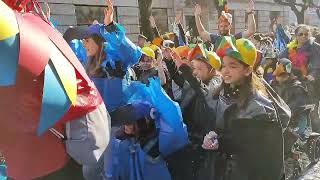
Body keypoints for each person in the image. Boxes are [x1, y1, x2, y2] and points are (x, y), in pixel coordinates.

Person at [203, 37, 287, 180]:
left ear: (248, 70)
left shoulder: (259, 106)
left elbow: (261, 154)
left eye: (233, 66)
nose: (225, 71)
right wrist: (212, 136)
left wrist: (221, 142)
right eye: (223, 65)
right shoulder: (220, 94)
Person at [163, 45, 222, 180]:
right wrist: (170, 62)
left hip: (202, 136)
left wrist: (184, 69)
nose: (195, 72)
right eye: (194, 68)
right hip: (191, 133)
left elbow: (202, 91)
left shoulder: (216, 83)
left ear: (212, 69)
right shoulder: (200, 81)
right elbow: (181, 81)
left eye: (199, 69)